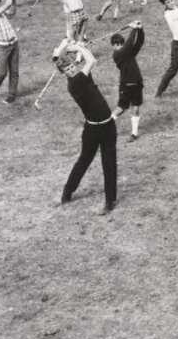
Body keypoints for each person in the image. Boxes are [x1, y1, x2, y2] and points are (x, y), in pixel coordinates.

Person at [53, 39, 117, 214]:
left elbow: (87, 62)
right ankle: (67, 192)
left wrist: (76, 48)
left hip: (108, 126)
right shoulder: (75, 83)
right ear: (64, 73)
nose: (71, 69)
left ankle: (110, 201)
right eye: (67, 69)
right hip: (92, 130)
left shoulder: (82, 75)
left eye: (72, 66)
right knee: (84, 160)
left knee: (109, 163)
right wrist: (77, 47)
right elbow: (92, 61)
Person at [110, 22, 145, 141]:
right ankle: (104, 128)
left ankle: (134, 134)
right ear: (114, 46)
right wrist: (133, 29)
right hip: (125, 85)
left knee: (136, 108)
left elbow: (139, 43)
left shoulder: (127, 52)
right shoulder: (117, 54)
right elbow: (130, 44)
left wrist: (140, 30)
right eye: (118, 45)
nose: (119, 46)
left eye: (121, 44)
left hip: (137, 83)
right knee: (120, 108)